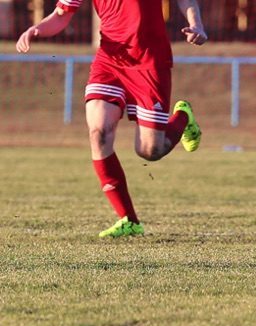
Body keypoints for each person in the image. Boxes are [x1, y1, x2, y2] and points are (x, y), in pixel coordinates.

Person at [16, 0, 207, 237]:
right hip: (110, 62)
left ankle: (182, 116)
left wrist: (196, 24)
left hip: (149, 61)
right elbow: (61, 15)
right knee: (98, 131)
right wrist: (36, 30)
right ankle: (129, 220)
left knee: (150, 150)